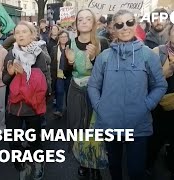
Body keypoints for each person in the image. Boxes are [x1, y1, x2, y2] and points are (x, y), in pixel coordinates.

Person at [87, 9, 167, 180]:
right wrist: (101, 107)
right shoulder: (105, 57)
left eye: (129, 23)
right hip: (110, 123)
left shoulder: (147, 55)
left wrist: (146, 105)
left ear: (136, 24)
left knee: (136, 171)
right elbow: (93, 86)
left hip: (138, 125)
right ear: (113, 29)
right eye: (119, 24)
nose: (125, 27)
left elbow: (160, 85)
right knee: (114, 168)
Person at [65, 9, 109, 180]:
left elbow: (107, 71)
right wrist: (69, 62)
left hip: (97, 90)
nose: (84, 22)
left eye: (88, 19)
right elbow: (65, 71)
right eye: (80, 19)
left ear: (93, 23)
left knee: (95, 128)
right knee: (78, 126)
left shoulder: (103, 42)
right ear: (76, 23)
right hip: (75, 89)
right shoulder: (70, 42)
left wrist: (93, 59)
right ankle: (83, 163)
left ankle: (95, 165)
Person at [2, 21, 50, 180]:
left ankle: (38, 164)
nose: (21, 35)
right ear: (14, 35)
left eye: (24, 31)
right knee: (14, 141)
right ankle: (22, 166)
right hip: (14, 107)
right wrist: (10, 74)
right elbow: (4, 80)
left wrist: (44, 97)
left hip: (33, 107)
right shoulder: (10, 54)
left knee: (34, 140)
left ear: (32, 34)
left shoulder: (39, 54)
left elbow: (45, 79)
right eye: (18, 32)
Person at [147, 20, 174, 180]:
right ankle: (148, 167)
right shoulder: (156, 52)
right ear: (169, 33)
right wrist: (165, 72)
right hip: (159, 109)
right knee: (154, 141)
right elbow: (146, 81)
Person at [50, 30, 72, 117]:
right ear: (59, 38)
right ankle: (59, 110)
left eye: (65, 37)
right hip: (59, 74)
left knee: (68, 93)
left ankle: (69, 109)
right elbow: (52, 62)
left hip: (69, 74)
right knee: (59, 92)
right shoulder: (55, 49)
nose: (63, 39)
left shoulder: (71, 48)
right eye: (62, 37)